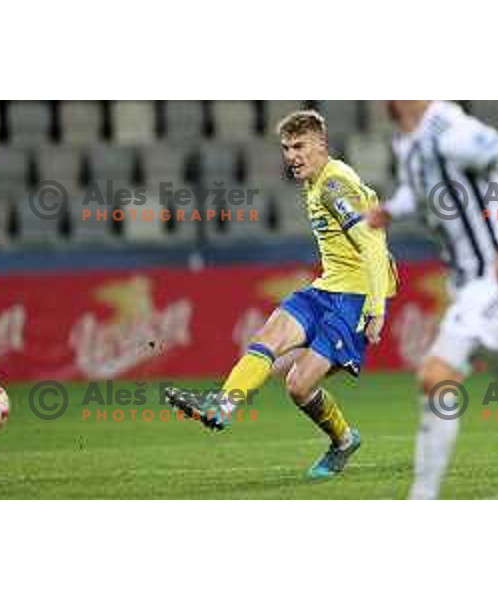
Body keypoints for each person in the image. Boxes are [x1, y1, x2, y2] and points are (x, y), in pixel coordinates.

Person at [166, 109, 398, 478]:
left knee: (298, 386)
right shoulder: (317, 182)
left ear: (321, 144)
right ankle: (222, 406)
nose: (292, 156)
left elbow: (371, 241)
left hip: (354, 298)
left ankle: (343, 441)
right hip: (327, 288)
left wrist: (377, 308)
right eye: (287, 148)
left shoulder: (333, 185)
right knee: (267, 338)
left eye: (300, 146)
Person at [366, 100, 498, 499]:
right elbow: (421, 189)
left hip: (497, 278)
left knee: (437, 376)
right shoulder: (407, 141)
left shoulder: (448, 129)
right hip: (470, 284)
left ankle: (422, 500)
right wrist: (390, 210)